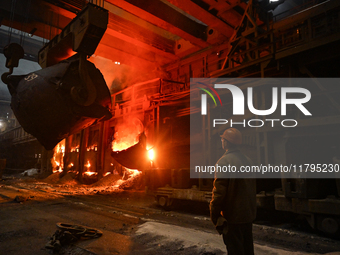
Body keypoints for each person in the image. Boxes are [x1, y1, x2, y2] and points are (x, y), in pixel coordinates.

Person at [210, 128, 256, 255]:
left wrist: (214, 214)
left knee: (235, 250)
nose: (221, 141)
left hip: (233, 217)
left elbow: (219, 192)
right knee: (247, 250)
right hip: (247, 216)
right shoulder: (249, 161)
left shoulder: (223, 162)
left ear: (227, 142)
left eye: (222, 139)